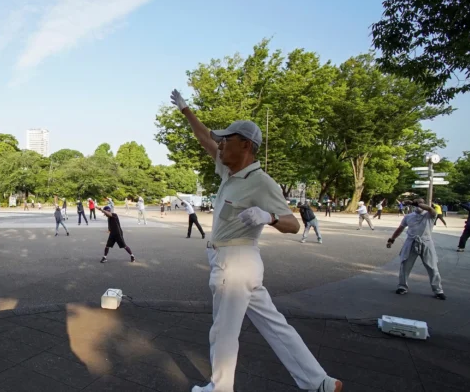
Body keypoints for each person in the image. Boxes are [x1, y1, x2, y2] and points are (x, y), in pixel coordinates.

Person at [169, 89, 342, 392]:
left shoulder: (261, 182)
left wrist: (270, 218)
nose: (220, 146)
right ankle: (321, 383)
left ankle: (220, 389)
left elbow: (293, 223)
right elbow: (203, 138)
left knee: (223, 331)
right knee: (275, 326)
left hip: (234, 264)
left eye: (226, 141)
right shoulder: (229, 172)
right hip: (238, 264)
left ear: (246, 145)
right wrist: (186, 110)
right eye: (220, 142)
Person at [385, 199, 446, 300]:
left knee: (432, 267)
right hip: (411, 242)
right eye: (417, 203)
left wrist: (414, 202)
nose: (419, 205)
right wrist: (391, 240)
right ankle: (402, 286)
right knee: (405, 265)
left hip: (426, 242)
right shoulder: (408, 216)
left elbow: (430, 208)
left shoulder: (430, 215)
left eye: (421, 203)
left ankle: (438, 290)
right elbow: (400, 229)